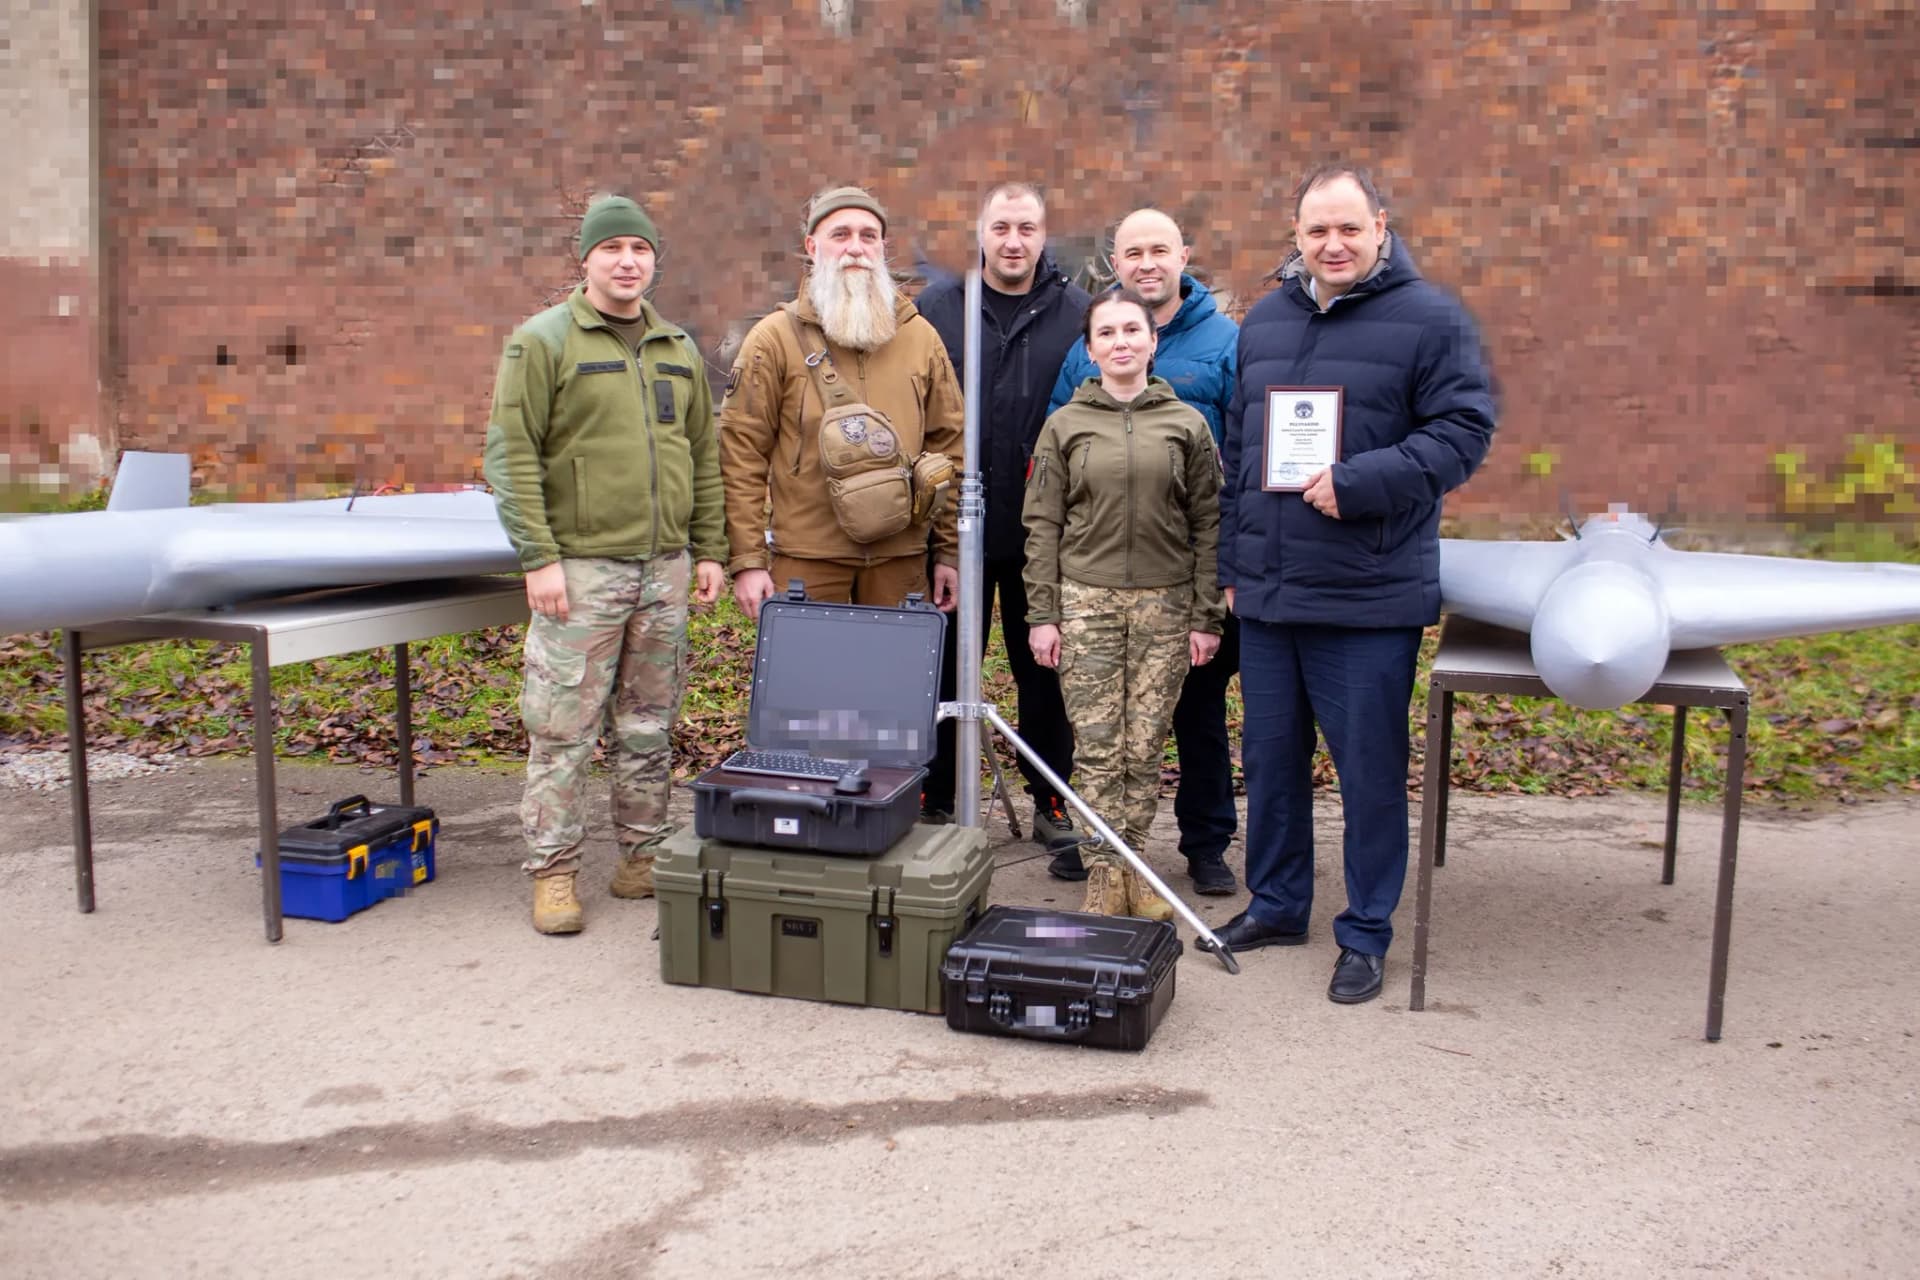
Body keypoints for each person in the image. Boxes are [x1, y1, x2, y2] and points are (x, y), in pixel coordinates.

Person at [1215, 165, 1495, 1003]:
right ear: (1295, 236)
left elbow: (1464, 431)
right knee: (1269, 763)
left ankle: (1366, 931)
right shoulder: (1262, 321)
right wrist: (1232, 569)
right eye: (1315, 232)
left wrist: (1364, 480)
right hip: (1269, 595)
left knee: (1367, 771)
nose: (1332, 245)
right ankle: (1277, 902)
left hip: (1367, 597)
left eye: (1348, 229)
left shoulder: (1432, 320)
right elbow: (1239, 455)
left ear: (1380, 225)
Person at [483, 195, 727, 935]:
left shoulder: (678, 348)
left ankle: (642, 854)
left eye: (640, 249)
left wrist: (710, 547)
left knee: (649, 724)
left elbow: (702, 455)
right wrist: (539, 558)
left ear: (655, 260)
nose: (627, 261)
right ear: (584, 259)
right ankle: (553, 871)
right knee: (564, 729)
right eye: (612, 248)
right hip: (581, 572)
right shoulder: (542, 342)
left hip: (664, 569)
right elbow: (511, 454)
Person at [1049, 209, 1241, 896]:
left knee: (1191, 717)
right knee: (1103, 732)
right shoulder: (1083, 364)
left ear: (1183, 255)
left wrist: (1222, 579)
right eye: (1134, 251)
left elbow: (1236, 462)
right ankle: (1104, 853)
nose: (1147, 262)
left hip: (1185, 576)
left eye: (1160, 249)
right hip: (1098, 582)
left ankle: (1205, 842)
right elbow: (1057, 469)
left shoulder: (1226, 344)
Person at [1023, 288, 1224, 920]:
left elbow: (1208, 523)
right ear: (1090, 349)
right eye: (1106, 333)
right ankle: (1104, 874)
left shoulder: (1187, 425)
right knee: (1099, 746)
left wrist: (1204, 616)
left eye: (1132, 330)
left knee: (1146, 745)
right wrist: (1043, 613)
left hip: (1166, 607)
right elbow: (1043, 524)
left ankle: (1136, 867)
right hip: (1087, 604)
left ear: (1152, 341)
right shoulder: (1065, 426)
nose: (1120, 342)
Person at [916, 182, 1088, 856]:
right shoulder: (938, 309)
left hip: (1041, 533)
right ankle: (937, 796)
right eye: (1001, 227)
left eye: (1026, 228)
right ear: (980, 232)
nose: (1013, 241)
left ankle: (1050, 797)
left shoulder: (1075, 313)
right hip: (953, 532)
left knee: (1043, 670)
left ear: (1044, 234)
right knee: (945, 667)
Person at [718, 185, 963, 616]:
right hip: (807, 559)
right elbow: (742, 453)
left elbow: (950, 446)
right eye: (841, 235)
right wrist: (748, 559)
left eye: (868, 236)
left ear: (883, 248)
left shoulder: (920, 337)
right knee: (808, 683)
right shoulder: (773, 339)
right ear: (812, 247)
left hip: (899, 559)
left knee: (894, 682)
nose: (856, 248)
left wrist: (949, 551)